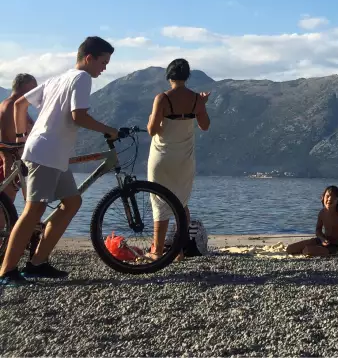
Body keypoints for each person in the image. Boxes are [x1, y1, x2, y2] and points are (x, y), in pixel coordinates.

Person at [0, 37, 119, 286]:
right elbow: (79, 116)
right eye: (103, 62)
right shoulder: (82, 78)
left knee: (72, 202)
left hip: (53, 154)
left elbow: (20, 105)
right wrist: (108, 129)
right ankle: (7, 271)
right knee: (34, 210)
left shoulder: (58, 78)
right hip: (45, 153)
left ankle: (37, 263)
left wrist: (23, 139)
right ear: (89, 58)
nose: (105, 68)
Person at [146, 59, 211, 259]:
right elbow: (205, 125)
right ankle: (179, 250)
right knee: (181, 203)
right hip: (185, 158)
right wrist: (201, 105)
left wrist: (150, 117)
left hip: (162, 157)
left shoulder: (163, 98)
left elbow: (152, 130)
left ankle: (157, 251)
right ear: (187, 76)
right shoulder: (196, 99)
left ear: (169, 76)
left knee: (159, 202)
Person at [0, 74, 37, 202]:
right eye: (33, 88)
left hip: (13, 161)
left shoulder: (15, 106)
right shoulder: (11, 106)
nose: (35, 93)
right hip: (11, 162)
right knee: (6, 205)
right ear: (24, 87)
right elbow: (10, 140)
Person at [286, 185, 338, 258]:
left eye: (333, 197)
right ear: (322, 197)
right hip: (322, 241)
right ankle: (314, 248)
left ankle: (326, 252)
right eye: (327, 196)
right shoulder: (322, 213)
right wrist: (322, 239)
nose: (329, 199)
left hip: (333, 246)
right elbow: (318, 230)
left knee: (307, 250)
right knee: (290, 249)